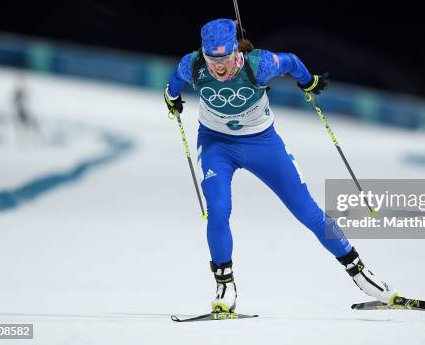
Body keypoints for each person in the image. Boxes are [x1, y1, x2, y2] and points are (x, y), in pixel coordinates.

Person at [164, 18, 397, 312]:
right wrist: (171, 98)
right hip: (217, 144)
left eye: (224, 59)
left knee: (307, 211)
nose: (218, 68)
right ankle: (225, 286)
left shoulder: (259, 64)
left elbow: (292, 61)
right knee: (219, 209)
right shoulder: (193, 65)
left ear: (236, 51)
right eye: (212, 60)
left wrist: (307, 81)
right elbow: (175, 79)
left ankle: (362, 275)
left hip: (262, 143)